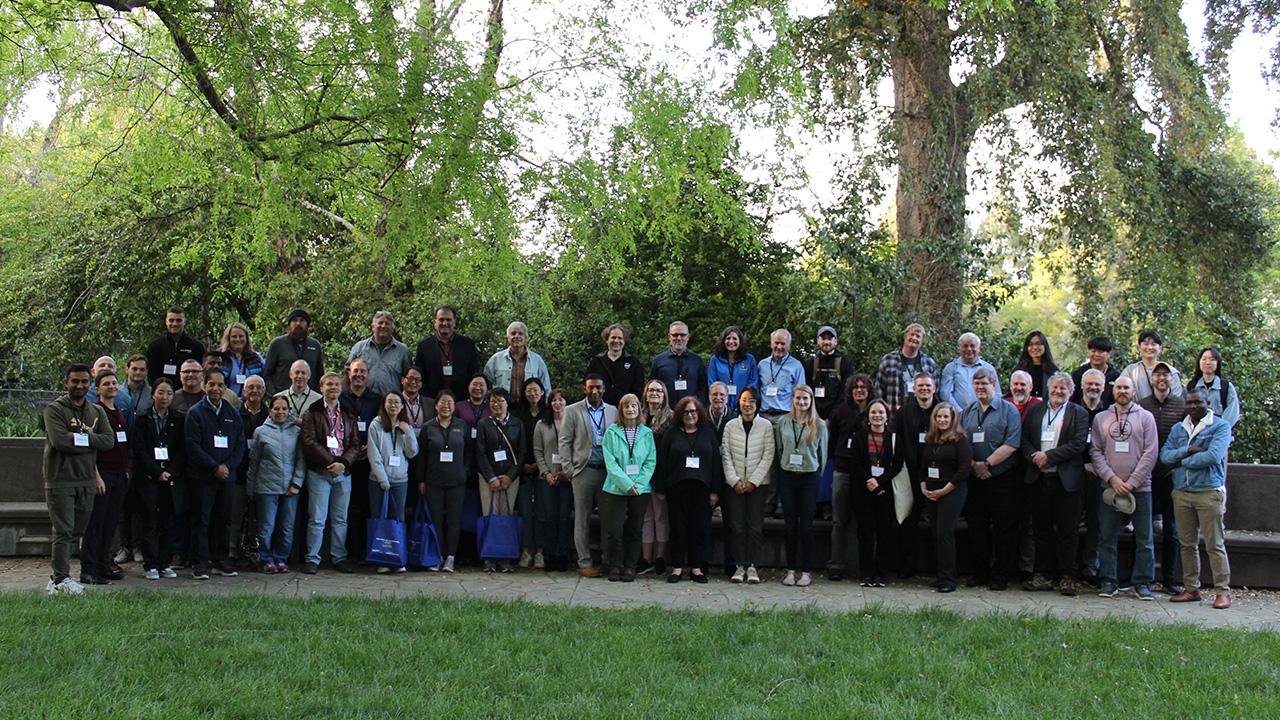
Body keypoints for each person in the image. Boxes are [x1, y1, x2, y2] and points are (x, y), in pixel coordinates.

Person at [42, 364, 113, 595]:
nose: (80, 385)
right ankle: (60, 579)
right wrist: (91, 439)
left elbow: (108, 442)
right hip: (60, 480)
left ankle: (58, 579)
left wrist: (80, 437)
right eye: (75, 381)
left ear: (89, 384)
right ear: (66, 383)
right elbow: (60, 441)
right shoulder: (54, 410)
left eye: (84, 381)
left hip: (86, 480)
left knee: (76, 530)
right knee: (63, 530)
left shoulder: (97, 411)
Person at [1162, 390, 1234, 609]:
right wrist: (1187, 449)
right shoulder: (1178, 428)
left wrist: (1182, 462)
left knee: (1214, 544)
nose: (1193, 406)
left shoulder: (1220, 426)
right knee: (1187, 544)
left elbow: (1213, 456)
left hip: (1208, 491)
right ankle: (1191, 588)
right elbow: (1165, 455)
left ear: (1207, 402)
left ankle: (1222, 591)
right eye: (1189, 402)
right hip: (1182, 492)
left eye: (1197, 402)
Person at [1020, 372, 1090, 596]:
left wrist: (1049, 456)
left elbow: (1078, 444)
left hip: (1066, 480)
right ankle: (1043, 574)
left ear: (1071, 392)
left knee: (1068, 530)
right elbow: (1024, 439)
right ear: (1048, 390)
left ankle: (1067, 576)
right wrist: (1035, 456)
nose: (1059, 392)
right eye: (1055, 388)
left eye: (1063, 388)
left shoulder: (1078, 413)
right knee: (1041, 529)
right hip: (1039, 478)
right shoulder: (1036, 410)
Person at [1090, 376, 1159, 600]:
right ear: (1113, 390)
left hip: (1140, 488)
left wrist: (1132, 482)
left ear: (1133, 391)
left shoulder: (1146, 418)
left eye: (1126, 387)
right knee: (1106, 536)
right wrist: (1112, 479)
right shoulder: (1101, 418)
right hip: (1109, 488)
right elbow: (1096, 452)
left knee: (1144, 537)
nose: (1122, 391)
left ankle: (1143, 582)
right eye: (1118, 387)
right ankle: (1108, 580)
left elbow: (1151, 452)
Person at [960, 368, 1022, 590]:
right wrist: (973, 466)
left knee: (1003, 529)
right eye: (976, 385)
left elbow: (1012, 443)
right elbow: (961, 443)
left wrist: (986, 464)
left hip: (1002, 479)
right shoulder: (968, 412)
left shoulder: (1009, 411)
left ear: (994, 384)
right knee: (977, 527)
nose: (979, 388)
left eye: (984, 384)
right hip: (975, 479)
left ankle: (1000, 575)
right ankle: (980, 573)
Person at [184, 369, 247, 580]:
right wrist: (214, 468)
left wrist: (227, 467)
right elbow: (192, 446)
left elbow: (240, 443)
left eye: (220, 385)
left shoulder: (232, 413)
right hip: (203, 477)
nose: (216, 389)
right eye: (212, 384)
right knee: (201, 520)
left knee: (224, 519)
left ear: (225, 388)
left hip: (227, 477)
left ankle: (221, 559)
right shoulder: (195, 413)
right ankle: (200, 562)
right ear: (204, 385)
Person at [299, 372, 361, 574]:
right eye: (328, 384)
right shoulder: (313, 411)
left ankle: (339, 556)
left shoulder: (349, 412)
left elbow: (355, 443)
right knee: (317, 518)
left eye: (336, 384)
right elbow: (309, 442)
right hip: (320, 472)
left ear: (341, 387)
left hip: (344, 473)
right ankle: (312, 558)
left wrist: (343, 462)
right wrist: (331, 462)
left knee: (340, 518)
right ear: (321, 387)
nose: (333, 387)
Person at [655, 396, 722, 583]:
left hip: (702, 489)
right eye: (686, 412)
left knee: (699, 528)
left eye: (693, 411)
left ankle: (696, 567)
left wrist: (715, 491)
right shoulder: (671, 434)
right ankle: (677, 567)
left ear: (699, 413)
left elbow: (716, 464)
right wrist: (660, 489)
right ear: (679, 414)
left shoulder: (708, 433)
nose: (690, 415)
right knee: (678, 527)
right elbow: (662, 462)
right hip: (677, 488)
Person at [558, 374, 618, 577]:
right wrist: (569, 470)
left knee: (608, 519)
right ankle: (584, 562)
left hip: (607, 472)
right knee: (581, 519)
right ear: (585, 388)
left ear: (604, 389)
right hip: (583, 471)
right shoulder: (572, 410)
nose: (595, 391)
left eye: (599, 388)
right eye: (591, 387)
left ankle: (608, 560)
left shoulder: (612, 411)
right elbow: (564, 441)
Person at [1137, 361, 1187, 594]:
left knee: (1172, 530)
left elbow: (1189, 439)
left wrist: (1179, 465)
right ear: (1152, 379)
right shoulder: (1142, 405)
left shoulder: (1182, 405)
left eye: (1166, 375)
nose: (1161, 379)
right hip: (1146, 475)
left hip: (1171, 475)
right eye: (1157, 375)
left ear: (1172, 379)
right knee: (1143, 529)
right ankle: (1143, 579)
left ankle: (1169, 579)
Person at [774, 384, 828, 587]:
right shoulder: (783, 423)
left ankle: (806, 571)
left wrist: (814, 474)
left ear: (811, 400)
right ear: (793, 400)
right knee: (789, 526)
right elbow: (780, 449)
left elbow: (822, 455)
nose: (801, 402)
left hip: (809, 477)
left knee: (806, 526)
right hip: (788, 475)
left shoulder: (819, 425)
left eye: (805, 399)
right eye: (798, 398)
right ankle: (790, 571)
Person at [79, 371, 130, 585]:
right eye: (106, 384)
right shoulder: (95, 412)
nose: (111, 386)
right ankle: (89, 570)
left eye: (114, 383)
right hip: (103, 474)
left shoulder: (119, 411)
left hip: (119, 474)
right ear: (97, 389)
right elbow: (90, 448)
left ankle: (104, 565)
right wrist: (96, 476)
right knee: (96, 524)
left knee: (110, 524)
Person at [600, 393, 657, 582]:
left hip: (640, 490)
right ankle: (615, 565)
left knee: (635, 529)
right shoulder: (611, 432)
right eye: (626, 407)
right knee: (614, 530)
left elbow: (650, 461)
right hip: (615, 488)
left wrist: (638, 485)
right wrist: (626, 484)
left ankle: (630, 566)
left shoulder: (647, 433)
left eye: (633, 406)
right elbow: (610, 463)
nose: (630, 409)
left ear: (639, 409)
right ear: (621, 410)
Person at [245, 395, 305, 574]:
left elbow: (301, 460)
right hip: (266, 487)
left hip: (290, 488)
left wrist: (296, 483)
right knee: (266, 527)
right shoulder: (260, 432)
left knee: (287, 527)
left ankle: (281, 558)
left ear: (289, 411)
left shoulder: (296, 432)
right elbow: (254, 461)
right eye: (276, 408)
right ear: (270, 410)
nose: (280, 412)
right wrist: (250, 488)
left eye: (284, 409)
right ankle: (266, 558)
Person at [720, 387, 773, 584]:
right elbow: (725, 454)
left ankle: (752, 566)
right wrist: (734, 481)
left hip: (757, 484)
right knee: (737, 526)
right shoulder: (731, 425)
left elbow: (768, 455)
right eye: (744, 400)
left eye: (751, 400)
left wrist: (753, 481)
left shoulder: (766, 426)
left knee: (755, 526)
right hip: (734, 484)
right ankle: (739, 566)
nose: (747, 404)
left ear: (757, 403)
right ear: (739, 402)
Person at [132, 378, 183, 580]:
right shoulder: (143, 419)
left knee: (169, 522)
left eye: (169, 393)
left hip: (171, 478)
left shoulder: (178, 419)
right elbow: (140, 450)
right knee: (150, 522)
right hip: (149, 477)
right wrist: (156, 472)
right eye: (161, 392)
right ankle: (151, 563)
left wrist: (171, 471)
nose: (165, 397)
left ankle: (165, 562)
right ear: (153, 394)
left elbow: (182, 450)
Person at [849, 398, 903, 587]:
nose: (877, 416)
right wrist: (869, 480)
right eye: (873, 412)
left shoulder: (894, 438)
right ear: (868, 416)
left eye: (881, 412)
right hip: (863, 491)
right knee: (865, 534)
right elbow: (855, 462)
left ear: (887, 416)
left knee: (884, 533)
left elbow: (897, 465)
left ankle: (881, 574)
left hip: (885, 491)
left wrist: (880, 482)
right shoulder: (859, 436)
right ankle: (866, 574)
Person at [920, 402, 971, 593]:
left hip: (952, 491)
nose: (942, 420)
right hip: (931, 491)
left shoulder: (960, 440)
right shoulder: (931, 439)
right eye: (938, 417)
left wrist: (945, 490)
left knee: (945, 532)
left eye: (945, 417)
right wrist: (923, 486)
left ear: (952, 419)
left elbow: (964, 469)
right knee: (936, 533)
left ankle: (949, 578)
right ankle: (940, 576)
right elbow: (923, 467)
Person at [366, 391, 419, 573]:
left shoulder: (405, 426)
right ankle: (381, 559)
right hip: (379, 481)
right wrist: (382, 479)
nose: (393, 405)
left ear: (402, 406)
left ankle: (397, 558)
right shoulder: (376, 424)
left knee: (398, 519)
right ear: (384, 404)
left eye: (397, 402)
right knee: (380, 518)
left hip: (400, 480)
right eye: (390, 402)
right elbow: (373, 455)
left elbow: (412, 453)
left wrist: (408, 433)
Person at [417, 391, 470, 572]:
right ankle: (437, 555)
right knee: (436, 520)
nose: (446, 406)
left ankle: (451, 558)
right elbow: (421, 456)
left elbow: (469, 453)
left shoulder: (462, 426)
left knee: (454, 520)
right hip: (433, 481)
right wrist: (421, 480)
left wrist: (465, 471)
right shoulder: (428, 427)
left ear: (454, 407)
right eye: (442, 402)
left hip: (457, 481)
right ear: (436, 405)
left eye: (449, 403)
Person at [891, 372, 937, 578]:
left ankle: (936, 568)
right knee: (908, 520)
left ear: (934, 388)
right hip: (909, 473)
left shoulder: (942, 410)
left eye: (928, 386)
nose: (924, 389)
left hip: (937, 475)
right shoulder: (904, 413)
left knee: (937, 522)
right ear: (914, 389)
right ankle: (906, 565)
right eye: (920, 386)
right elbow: (896, 439)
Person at [476, 387, 525, 572]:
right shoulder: (483, 424)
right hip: (488, 478)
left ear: (507, 402)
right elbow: (480, 453)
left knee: (506, 515)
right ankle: (489, 557)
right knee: (490, 514)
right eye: (493, 401)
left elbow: (521, 454)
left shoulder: (517, 424)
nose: (496, 404)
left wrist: (510, 476)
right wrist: (491, 477)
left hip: (510, 478)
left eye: (500, 401)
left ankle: (506, 557)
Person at [827, 375, 871, 581]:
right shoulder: (841, 412)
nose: (859, 390)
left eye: (863, 387)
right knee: (839, 521)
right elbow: (832, 439)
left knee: (863, 521)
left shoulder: (875, 411)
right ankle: (836, 565)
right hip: (843, 470)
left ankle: (860, 567)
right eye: (856, 387)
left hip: (866, 474)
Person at [338, 358, 381, 560]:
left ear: (368, 375)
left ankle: (365, 551)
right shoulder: (341, 398)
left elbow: (380, 427)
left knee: (366, 507)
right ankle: (346, 551)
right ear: (349, 374)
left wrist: (369, 447)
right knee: (345, 507)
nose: (359, 375)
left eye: (363, 371)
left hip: (368, 459)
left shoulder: (376, 399)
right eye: (355, 371)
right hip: (346, 460)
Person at [1077, 368, 1111, 585]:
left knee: (1096, 524)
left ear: (1103, 387)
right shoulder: (1071, 410)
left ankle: (1091, 567)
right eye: (1089, 384)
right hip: (1074, 474)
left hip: (1100, 476)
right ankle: (1069, 568)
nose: (1093, 388)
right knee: (1069, 523)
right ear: (1082, 385)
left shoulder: (1108, 413)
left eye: (1097, 384)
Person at [532, 388, 572, 571]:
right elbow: (538, 451)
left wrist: (566, 473)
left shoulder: (573, 422)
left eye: (561, 400)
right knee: (549, 517)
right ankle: (550, 555)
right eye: (554, 400)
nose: (557, 403)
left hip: (567, 478)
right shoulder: (541, 424)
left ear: (566, 402)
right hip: (546, 478)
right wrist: (546, 473)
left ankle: (563, 554)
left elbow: (579, 449)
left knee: (564, 517)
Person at [232, 375, 269, 565]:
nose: (255, 391)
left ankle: (257, 554)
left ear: (264, 391)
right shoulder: (235, 414)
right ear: (244, 391)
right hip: (239, 472)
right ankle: (231, 553)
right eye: (251, 387)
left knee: (259, 518)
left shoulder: (270, 415)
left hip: (263, 475)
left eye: (259, 387)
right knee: (235, 515)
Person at [512, 378, 548, 567]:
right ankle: (526, 550)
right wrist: (523, 464)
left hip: (544, 470)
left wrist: (541, 466)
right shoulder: (517, 415)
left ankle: (540, 551)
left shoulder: (549, 413)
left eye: (536, 390)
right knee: (525, 511)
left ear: (542, 392)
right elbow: (515, 443)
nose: (532, 394)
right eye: (529, 391)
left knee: (541, 512)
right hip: (523, 470)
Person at [638, 379, 673, 573]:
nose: (654, 394)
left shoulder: (671, 417)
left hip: (661, 473)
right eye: (651, 390)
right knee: (646, 517)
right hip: (641, 474)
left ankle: (660, 557)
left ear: (664, 394)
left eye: (659, 391)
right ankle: (645, 558)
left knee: (660, 517)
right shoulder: (638, 415)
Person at [414, 304, 482, 399]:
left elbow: (474, 373)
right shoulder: (424, 346)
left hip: (462, 401)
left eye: (449, 320)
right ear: (435, 322)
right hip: (433, 401)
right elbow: (420, 376)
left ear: (454, 322)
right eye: (441, 320)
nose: (445, 323)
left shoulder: (467, 345)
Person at [348, 311, 413, 397]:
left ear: (392, 328)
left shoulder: (403, 351)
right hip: (363, 401)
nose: (383, 326)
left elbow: (407, 379)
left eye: (387, 323)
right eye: (380, 323)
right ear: (373, 327)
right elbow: (347, 373)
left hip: (391, 404)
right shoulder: (359, 348)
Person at [874, 322, 938, 410]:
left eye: (918, 336)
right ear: (905, 336)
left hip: (921, 414)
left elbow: (935, 390)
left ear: (922, 341)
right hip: (893, 411)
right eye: (912, 334)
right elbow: (879, 389)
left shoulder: (929, 363)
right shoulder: (888, 360)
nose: (914, 338)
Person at [262, 308, 325, 395]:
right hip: (283, 401)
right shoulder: (277, 344)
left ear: (307, 325)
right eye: (294, 320)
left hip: (310, 400)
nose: (298, 323)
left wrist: (317, 397)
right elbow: (267, 375)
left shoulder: (315, 345)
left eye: (302, 320)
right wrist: (275, 396)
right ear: (289, 325)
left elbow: (320, 376)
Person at [484, 321, 552, 400]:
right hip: (502, 408)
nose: (517, 336)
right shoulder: (496, 359)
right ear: (508, 337)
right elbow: (485, 385)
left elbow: (546, 387)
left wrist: (546, 409)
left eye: (520, 333)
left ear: (526, 337)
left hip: (528, 408)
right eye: (513, 333)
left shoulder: (537, 360)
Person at [587, 323, 646, 408]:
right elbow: (589, 386)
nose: (616, 341)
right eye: (613, 337)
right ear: (607, 340)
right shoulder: (597, 361)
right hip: (600, 409)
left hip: (625, 410)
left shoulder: (634, 363)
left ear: (624, 341)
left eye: (620, 338)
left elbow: (638, 389)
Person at [650, 320, 708, 404]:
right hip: (666, 412)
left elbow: (703, 388)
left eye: (683, 335)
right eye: (675, 335)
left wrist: (697, 406)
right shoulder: (659, 361)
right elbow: (653, 387)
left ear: (688, 337)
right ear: (669, 337)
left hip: (690, 411)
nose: (679, 338)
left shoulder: (698, 361)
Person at [145, 306, 205, 385]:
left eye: (179, 320)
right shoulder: (155, 346)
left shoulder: (196, 347)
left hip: (187, 392)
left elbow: (200, 374)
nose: (175, 324)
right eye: (171, 320)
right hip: (162, 393)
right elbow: (151, 374)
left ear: (184, 322)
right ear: (166, 322)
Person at [940, 332, 1000, 409]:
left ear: (979, 349)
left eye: (972, 346)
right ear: (959, 348)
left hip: (983, 415)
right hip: (957, 416)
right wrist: (959, 412)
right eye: (965, 346)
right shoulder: (951, 368)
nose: (969, 349)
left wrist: (986, 411)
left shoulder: (988, 368)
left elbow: (996, 394)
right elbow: (945, 394)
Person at [1119, 330, 1183, 400]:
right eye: (1146, 344)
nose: (1149, 348)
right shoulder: (1130, 371)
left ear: (1160, 348)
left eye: (1153, 344)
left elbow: (1176, 398)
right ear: (1139, 347)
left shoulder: (1171, 371)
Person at [1186, 348, 1241, 427]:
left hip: (1219, 435)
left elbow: (1232, 413)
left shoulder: (1226, 387)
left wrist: (1218, 429)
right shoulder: (1191, 386)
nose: (1208, 362)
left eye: (1212, 359)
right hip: (1196, 434)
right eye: (1204, 359)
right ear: (1199, 362)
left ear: (1217, 363)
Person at [707, 326, 757, 412]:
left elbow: (753, 383)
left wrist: (744, 401)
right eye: (728, 338)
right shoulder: (715, 360)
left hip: (743, 406)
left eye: (734, 338)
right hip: (721, 407)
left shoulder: (749, 359)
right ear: (723, 341)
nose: (731, 341)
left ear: (740, 341)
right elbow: (712, 383)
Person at [757, 329, 806, 417]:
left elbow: (801, 393)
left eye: (783, 344)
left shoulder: (796, 366)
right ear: (771, 343)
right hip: (763, 416)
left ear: (789, 346)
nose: (779, 347)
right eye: (776, 343)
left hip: (785, 416)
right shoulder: (762, 365)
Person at [805, 326, 850, 420]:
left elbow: (845, 392)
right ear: (817, 341)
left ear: (836, 341)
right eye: (823, 338)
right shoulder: (810, 363)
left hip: (837, 417)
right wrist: (814, 415)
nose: (826, 342)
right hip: (814, 416)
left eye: (830, 339)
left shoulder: (845, 362)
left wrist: (832, 418)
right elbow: (807, 390)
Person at [1070, 336, 1119, 405]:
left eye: (1100, 352)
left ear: (1109, 354)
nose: (1096, 354)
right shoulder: (1078, 374)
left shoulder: (1115, 376)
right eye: (1093, 351)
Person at [219, 322, 264, 396]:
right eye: (234, 336)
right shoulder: (221, 357)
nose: (238, 339)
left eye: (241, 336)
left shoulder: (256, 358)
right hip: (226, 402)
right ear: (228, 338)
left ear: (246, 338)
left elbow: (265, 377)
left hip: (250, 403)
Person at [274, 359, 321, 423]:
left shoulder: (318, 399)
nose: (300, 376)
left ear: (309, 376)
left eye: (303, 373)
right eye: (297, 372)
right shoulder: (278, 398)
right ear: (290, 374)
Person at [1014, 330, 1058, 400]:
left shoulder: (1053, 371)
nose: (1034, 347)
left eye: (1038, 344)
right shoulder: (1019, 370)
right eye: (1031, 344)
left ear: (1045, 346)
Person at [455, 373, 492, 437]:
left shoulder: (491, 407)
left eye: (481, 385)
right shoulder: (458, 406)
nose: (477, 388)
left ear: (487, 389)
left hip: (486, 443)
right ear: (468, 386)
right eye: (474, 384)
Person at [121, 354, 152, 424]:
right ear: (127, 370)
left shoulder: (152, 395)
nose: (138, 372)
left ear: (147, 371)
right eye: (134, 369)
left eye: (142, 369)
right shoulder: (117, 392)